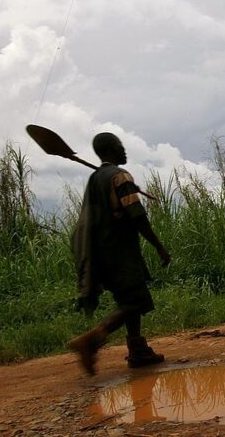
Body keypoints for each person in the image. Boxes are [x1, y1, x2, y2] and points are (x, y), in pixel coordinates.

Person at [68, 132, 171, 375]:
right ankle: (91, 339)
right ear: (112, 148)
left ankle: (138, 351)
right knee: (135, 301)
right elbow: (137, 214)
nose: (125, 150)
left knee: (129, 300)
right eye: (121, 145)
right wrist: (158, 245)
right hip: (120, 252)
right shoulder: (119, 176)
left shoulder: (96, 179)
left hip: (100, 254)